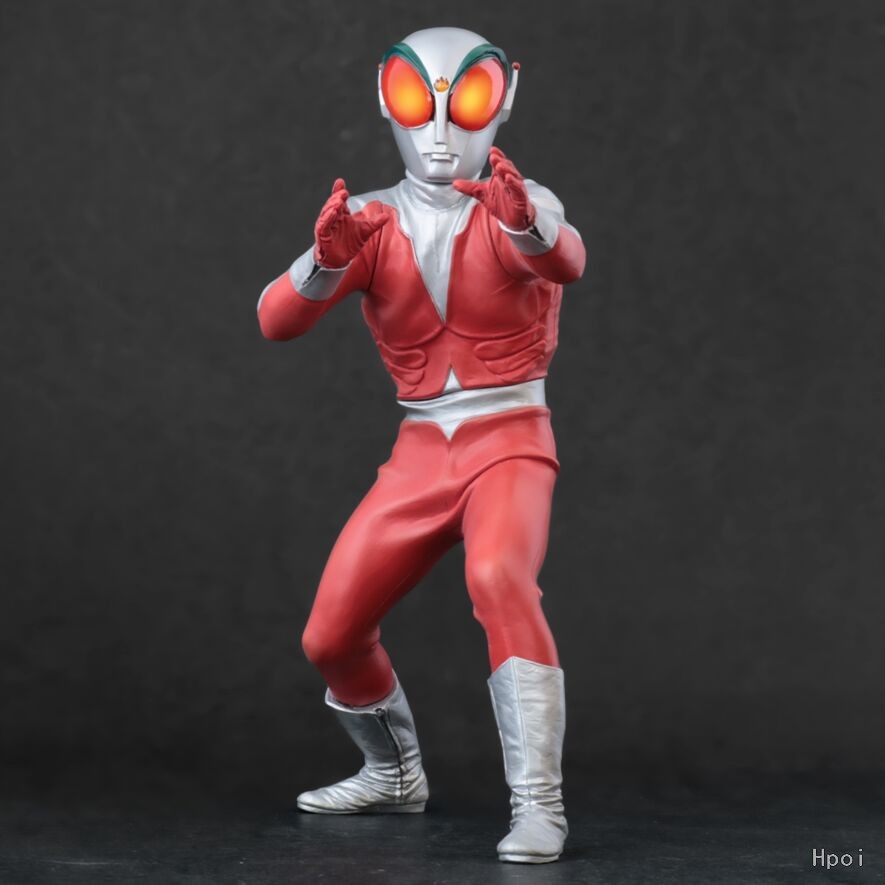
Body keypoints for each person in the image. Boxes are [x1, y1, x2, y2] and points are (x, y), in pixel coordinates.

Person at [257, 26, 586, 864]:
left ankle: (539, 804)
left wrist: (525, 226)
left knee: (498, 577)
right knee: (330, 635)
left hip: (508, 438)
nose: (439, 130)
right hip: (419, 452)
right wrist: (324, 263)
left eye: (465, 100)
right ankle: (393, 770)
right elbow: (274, 320)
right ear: (384, 96)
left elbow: (564, 259)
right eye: (416, 99)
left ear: (504, 97)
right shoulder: (369, 221)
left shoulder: (517, 203)